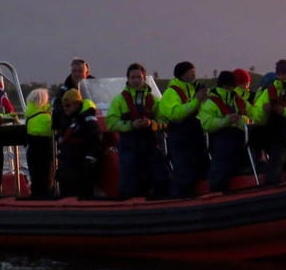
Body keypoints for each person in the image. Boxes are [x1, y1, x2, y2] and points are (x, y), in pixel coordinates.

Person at [106, 63, 170, 199]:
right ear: (128, 79)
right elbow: (111, 123)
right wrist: (131, 125)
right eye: (133, 77)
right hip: (129, 145)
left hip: (151, 144)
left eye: (139, 77)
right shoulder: (119, 100)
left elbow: (165, 121)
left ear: (144, 78)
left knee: (158, 176)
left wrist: (151, 124)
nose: (136, 80)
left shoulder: (154, 100)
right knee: (129, 179)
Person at [159, 61, 209, 198]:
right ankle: (180, 200)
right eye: (190, 71)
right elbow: (175, 114)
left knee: (200, 168)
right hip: (180, 137)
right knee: (183, 172)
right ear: (182, 74)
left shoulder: (195, 90)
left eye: (194, 71)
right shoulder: (171, 93)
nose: (193, 74)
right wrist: (196, 101)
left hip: (196, 136)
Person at [200, 70, 253, 192]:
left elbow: (255, 114)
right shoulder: (211, 102)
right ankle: (216, 190)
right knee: (221, 165)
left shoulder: (238, 100)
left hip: (240, 138)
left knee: (243, 162)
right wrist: (227, 120)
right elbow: (207, 124)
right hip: (221, 138)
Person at [56, 88, 102, 198]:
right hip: (67, 166)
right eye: (63, 106)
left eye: (68, 106)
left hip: (80, 166)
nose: (65, 109)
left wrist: (90, 158)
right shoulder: (69, 120)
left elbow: (96, 140)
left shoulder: (88, 120)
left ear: (77, 105)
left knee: (81, 193)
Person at [24, 88, 53, 199]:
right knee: (46, 178)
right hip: (45, 150)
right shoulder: (46, 117)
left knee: (35, 177)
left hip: (32, 150)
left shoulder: (29, 115)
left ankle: (35, 196)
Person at [52, 58, 94, 131]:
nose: (77, 74)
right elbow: (57, 108)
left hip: (92, 127)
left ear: (87, 73)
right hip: (71, 129)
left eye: (80, 71)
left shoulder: (95, 88)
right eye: (74, 71)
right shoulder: (63, 91)